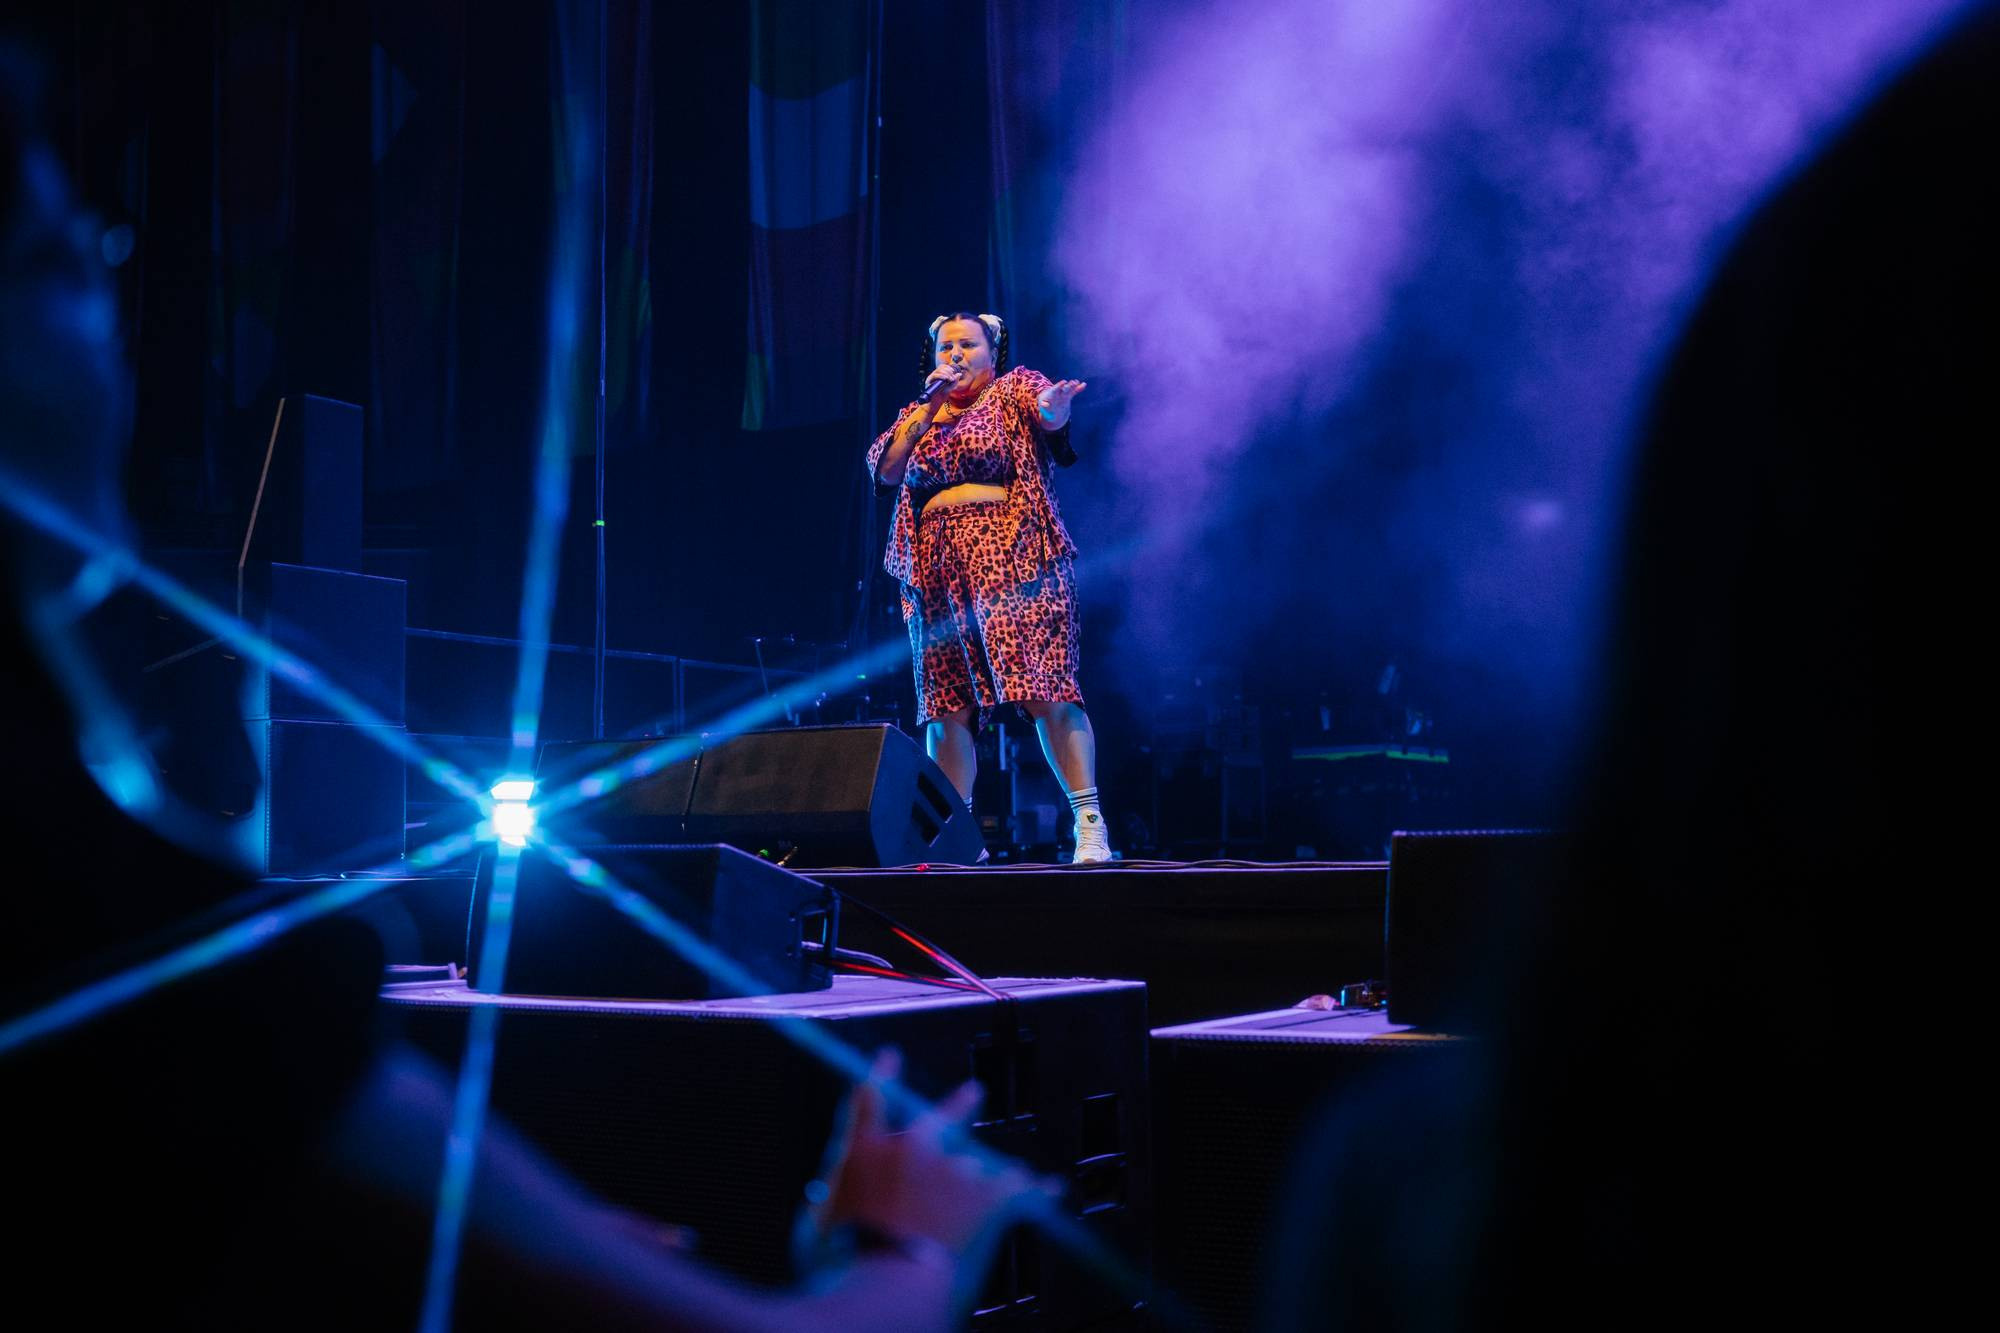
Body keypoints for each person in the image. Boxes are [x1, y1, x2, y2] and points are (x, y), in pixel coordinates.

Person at [1, 50, 1041, 1329]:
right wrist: (907, 1244)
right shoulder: (97, 918)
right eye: (66, 262)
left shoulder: (105, 910)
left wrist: (531, 1247)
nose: (113, 329)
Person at [867, 311, 1112, 863]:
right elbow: (885, 470)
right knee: (945, 707)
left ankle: (1089, 823)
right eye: (945, 347)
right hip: (936, 572)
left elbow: (1046, 412)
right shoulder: (919, 414)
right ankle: (957, 842)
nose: (955, 355)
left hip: (1016, 561)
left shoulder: (1011, 389)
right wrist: (927, 409)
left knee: (1045, 688)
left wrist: (1055, 407)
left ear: (992, 350)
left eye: (967, 345)